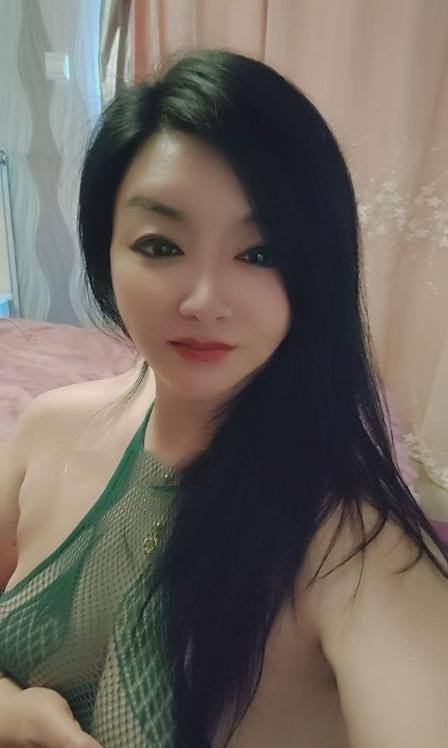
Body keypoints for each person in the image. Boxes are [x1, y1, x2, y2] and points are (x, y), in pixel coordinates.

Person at [1, 47, 448, 748]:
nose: (205, 301)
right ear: (105, 250)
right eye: (160, 245)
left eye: (260, 254)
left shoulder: (355, 546)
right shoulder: (47, 429)